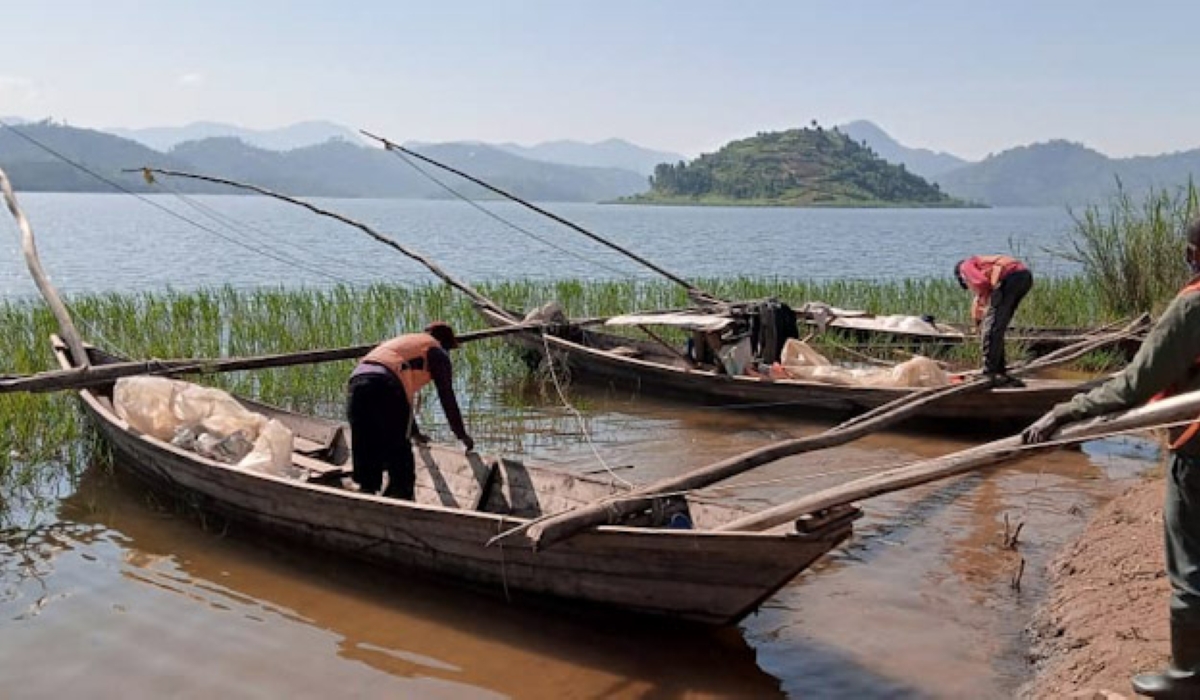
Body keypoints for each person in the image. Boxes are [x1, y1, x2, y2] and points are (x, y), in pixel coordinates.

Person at [1021, 217, 1200, 698]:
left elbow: (1135, 385)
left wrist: (1065, 409)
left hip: (1198, 452)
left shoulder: (1193, 307)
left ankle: (1188, 677)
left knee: (1190, 565)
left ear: (1193, 255)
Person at [346, 321, 474, 500]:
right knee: (399, 451)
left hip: (356, 382)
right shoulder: (436, 351)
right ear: (445, 343)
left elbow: (403, 400)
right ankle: (402, 496)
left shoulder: (408, 345)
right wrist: (461, 434)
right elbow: (447, 396)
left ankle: (367, 490)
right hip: (385, 384)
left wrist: (415, 433)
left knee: (365, 442)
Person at [954, 255, 1034, 387]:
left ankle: (989, 373)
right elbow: (981, 299)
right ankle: (999, 371)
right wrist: (979, 321)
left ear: (961, 276)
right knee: (997, 328)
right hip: (1024, 277)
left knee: (990, 331)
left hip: (1010, 278)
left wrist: (990, 299)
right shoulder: (983, 266)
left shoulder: (965, 266)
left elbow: (982, 283)